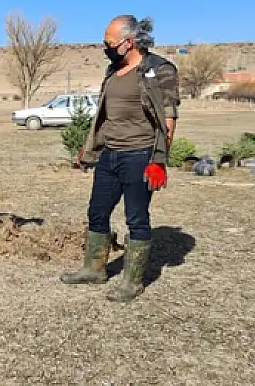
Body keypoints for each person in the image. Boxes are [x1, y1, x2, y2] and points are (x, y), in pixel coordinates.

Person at [61, 15, 180, 302]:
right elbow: (105, 115)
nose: (105, 47)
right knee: (97, 212)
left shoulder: (159, 70)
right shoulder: (112, 71)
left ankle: (132, 281)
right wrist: (91, 148)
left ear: (129, 42)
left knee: (136, 218)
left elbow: (168, 118)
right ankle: (94, 269)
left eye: (109, 42)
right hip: (109, 154)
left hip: (140, 154)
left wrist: (159, 160)